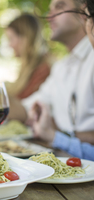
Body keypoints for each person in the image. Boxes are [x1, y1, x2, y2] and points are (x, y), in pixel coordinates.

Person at [28, 0, 94, 161]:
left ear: (83, 14)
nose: (49, 17)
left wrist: (59, 135)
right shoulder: (61, 67)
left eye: (59, 7)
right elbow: (30, 105)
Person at [5, 13, 51, 99]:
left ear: (25, 38)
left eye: (11, 39)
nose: (9, 45)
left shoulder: (43, 69)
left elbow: (23, 104)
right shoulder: (29, 68)